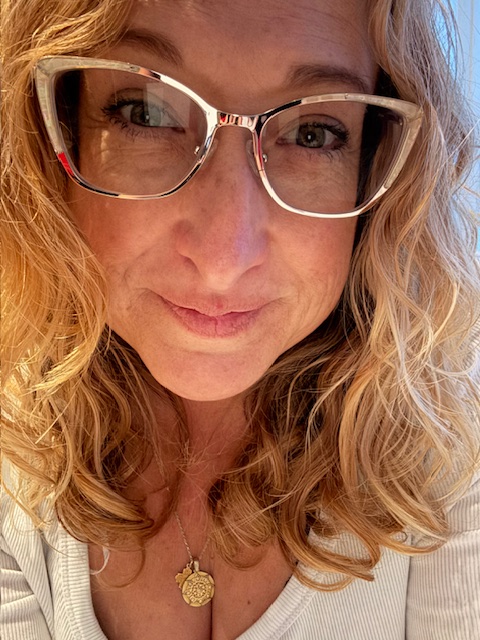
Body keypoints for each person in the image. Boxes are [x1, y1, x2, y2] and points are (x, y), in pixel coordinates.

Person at [1, 0, 479, 638]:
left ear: (379, 162)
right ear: (53, 130)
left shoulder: (452, 436)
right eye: (145, 113)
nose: (224, 257)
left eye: (313, 134)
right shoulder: (12, 452)